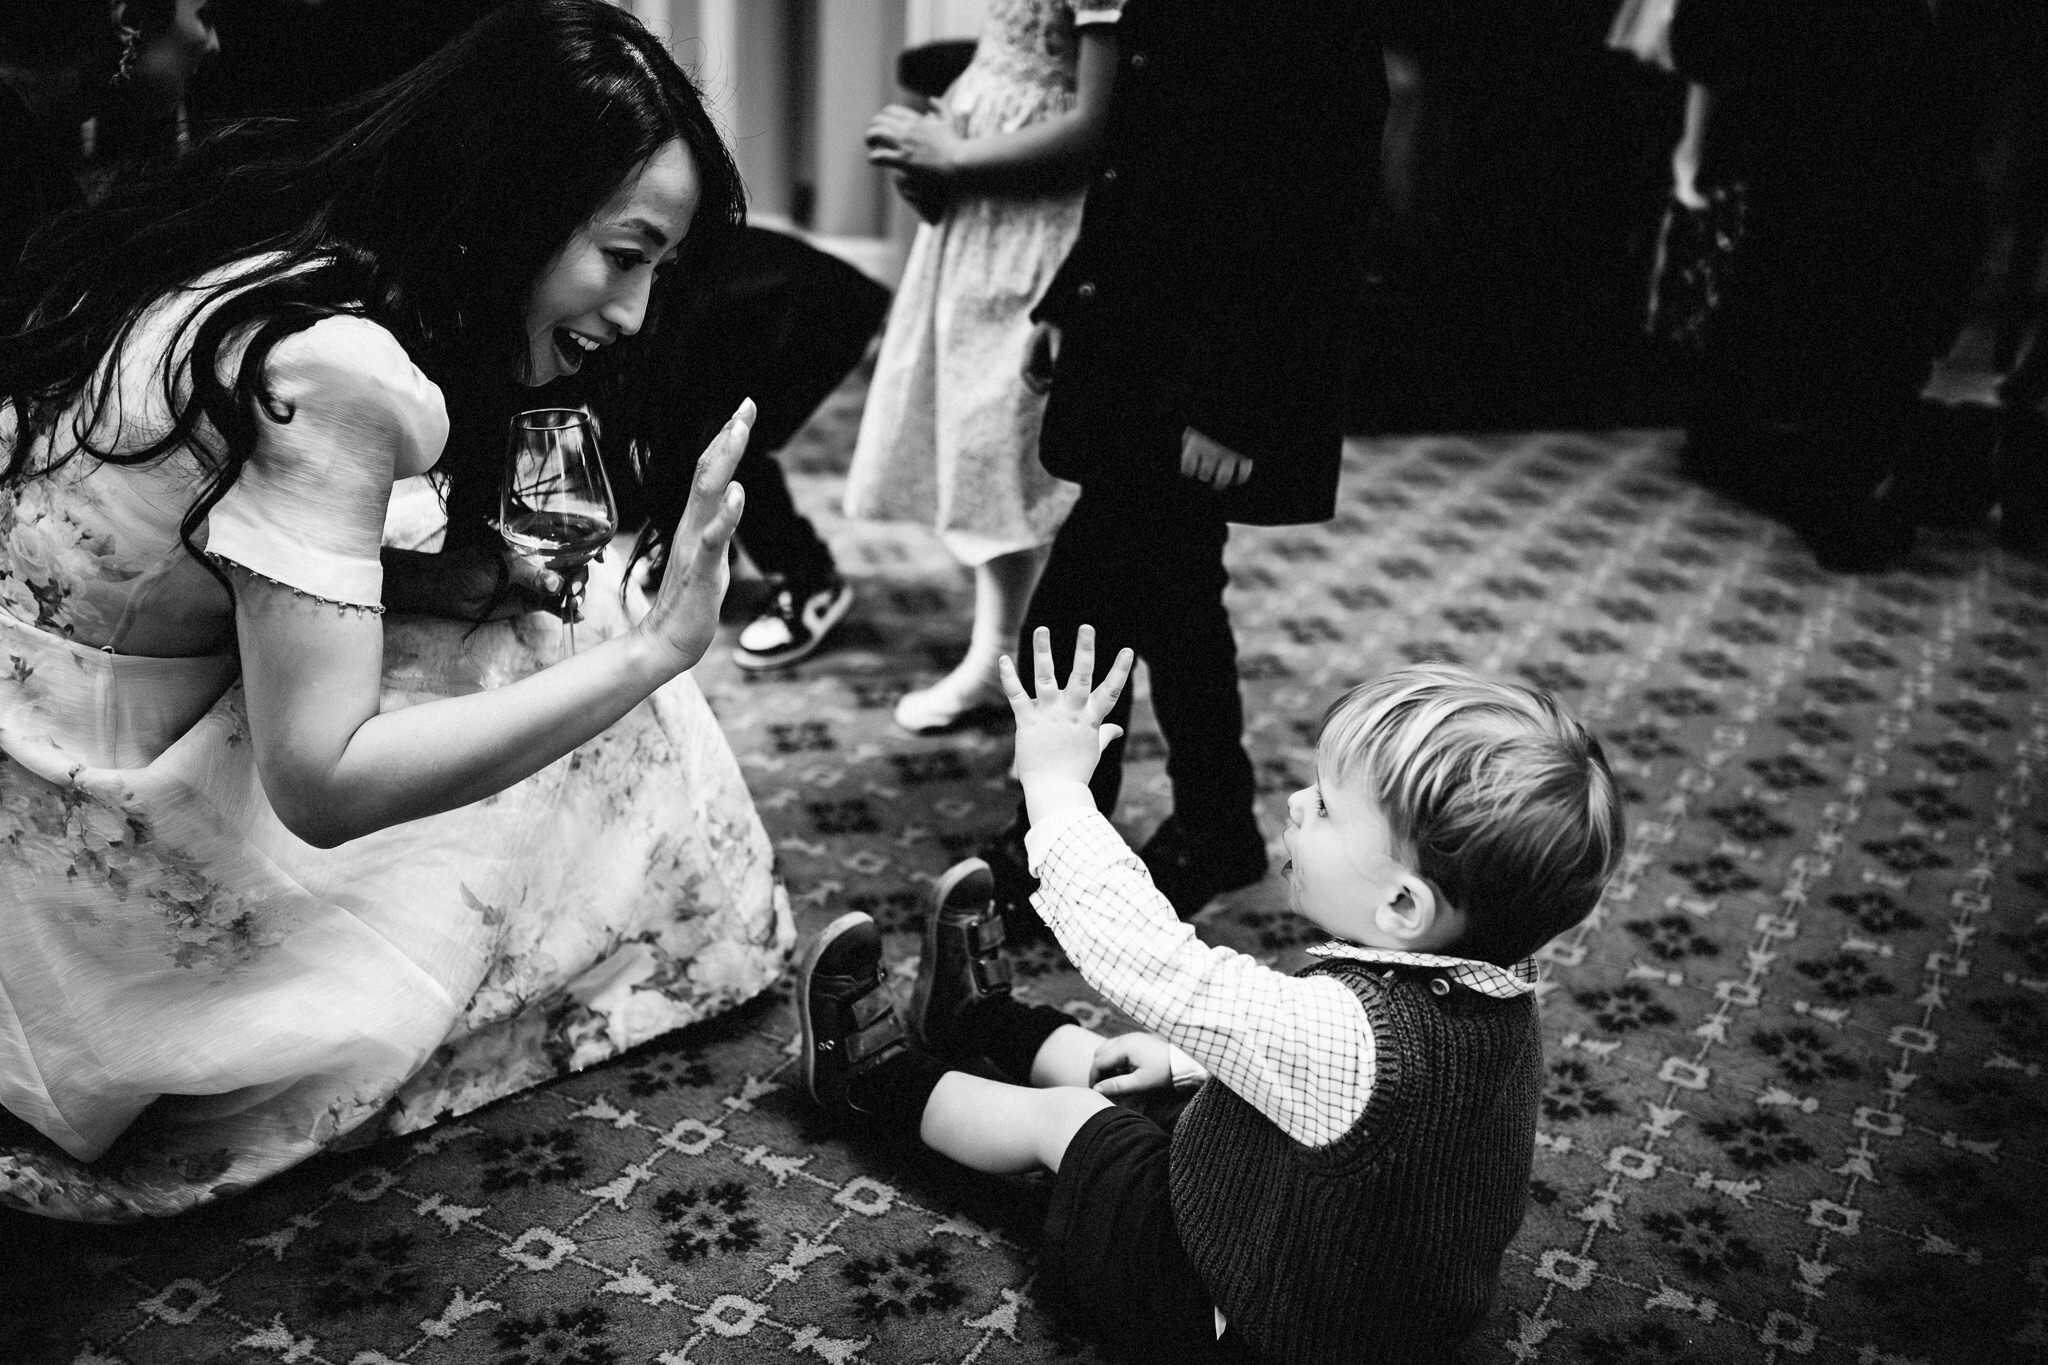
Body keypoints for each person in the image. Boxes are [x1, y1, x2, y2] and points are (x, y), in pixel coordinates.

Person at [0, 0, 794, 1221]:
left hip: (45, 705)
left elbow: (165, 566)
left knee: (514, 627)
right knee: (584, 672)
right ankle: (635, 963)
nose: (631, 315)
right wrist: (655, 649)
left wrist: (441, 580)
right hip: (63, 830)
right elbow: (325, 781)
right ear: (511, 201)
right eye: (623, 255)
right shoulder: (333, 366)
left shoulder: (280, 249)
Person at [796, 630, 1625, 1364]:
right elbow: (1329, 1077)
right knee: (1138, 1066)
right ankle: (977, 1019)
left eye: (1328, 808)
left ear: (1402, 907)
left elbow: (1154, 961)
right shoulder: (1492, 999)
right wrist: (1191, 1058)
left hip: (1228, 1307)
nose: (1297, 804)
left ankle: (873, 1078)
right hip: (1346, 1283)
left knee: (1075, 1119)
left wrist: (1055, 794)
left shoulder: (1352, 1037)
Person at [986, 0, 1387, 922]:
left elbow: (1308, 207)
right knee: (1172, 592)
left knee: (1078, 610)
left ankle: (1061, 838)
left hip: (1203, 379)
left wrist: (1231, 406)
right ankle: (1215, 822)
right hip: (1136, 339)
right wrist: (1067, 300)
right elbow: (1143, 158)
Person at [841, 0, 1123, 733]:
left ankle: (1029, 661)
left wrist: (953, 156)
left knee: (1010, 443)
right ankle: (999, 649)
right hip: (983, 211)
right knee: (975, 437)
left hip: (1042, 218)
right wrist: (931, 142)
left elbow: (1100, 122)